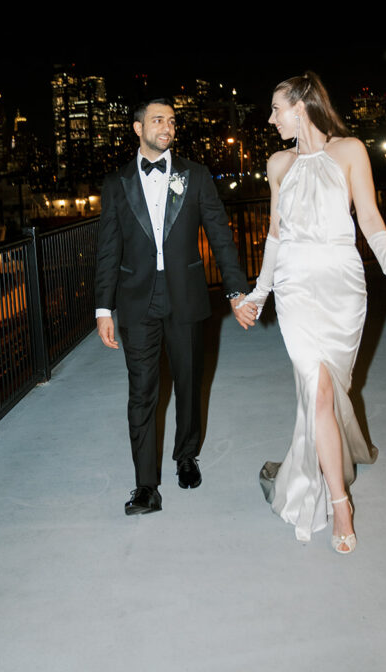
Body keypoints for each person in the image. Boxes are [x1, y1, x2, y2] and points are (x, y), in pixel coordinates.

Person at [235, 72, 386, 553]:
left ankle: (341, 456)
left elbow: (371, 218)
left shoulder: (350, 151)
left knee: (332, 384)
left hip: (343, 284)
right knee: (316, 388)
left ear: (301, 105)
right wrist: (259, 292)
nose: (271, 117)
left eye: (277, 108)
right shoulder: (278, 164)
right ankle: (339, 503)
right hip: (295, 284)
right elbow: (275, 234)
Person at [96, 97, 249, 515]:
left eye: (172, 121)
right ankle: (146, 486)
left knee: (187, 381)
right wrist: (102, 309)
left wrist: (236, 290)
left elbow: (219, 234)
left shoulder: (195, 176)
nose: (167, 126)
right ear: (137, 127)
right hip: (136, 302)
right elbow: (108, 250)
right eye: (158, 120)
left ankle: (186, 455)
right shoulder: (116, 183)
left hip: (186, 295)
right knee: (142, 392)